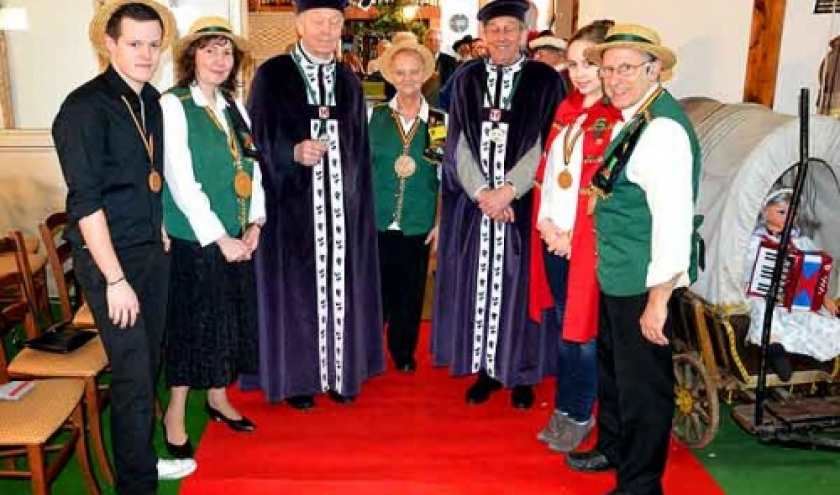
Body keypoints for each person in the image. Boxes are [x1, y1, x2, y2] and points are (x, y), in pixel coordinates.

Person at [51, 0, 197, 492]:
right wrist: (115, 279)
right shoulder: (83, 109)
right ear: (109, 43)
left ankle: (141, 459)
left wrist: (160, 227)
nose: (146, 54)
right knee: (133, 374)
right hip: (110, 261)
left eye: (154, 44)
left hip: (150, 249)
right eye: (134, 43)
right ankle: (136, 484)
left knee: (149, 364)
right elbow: (86, 203)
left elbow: (148, 178)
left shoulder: (149, 100)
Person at [564, 24, 701, 495]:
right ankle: (614, 447)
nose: (614, 79)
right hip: (619, 271)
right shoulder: (634, 117)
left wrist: (659, 299)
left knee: (643, 386)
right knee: (614, 371)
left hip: (644, 280)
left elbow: (674, 221)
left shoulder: (662, 130)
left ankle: (640, 484)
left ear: (654, 69)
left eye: (626, 69)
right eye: (608, 70)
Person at [246, 0, 384, 409]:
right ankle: (299, 379)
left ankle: (341, 372)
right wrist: (291, 152)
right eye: (318, 22)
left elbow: (360, 148)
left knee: (342, 287)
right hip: (291, 210)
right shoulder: (273, 75)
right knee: (297, 292)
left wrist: (357, 205)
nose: (327, 30)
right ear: (300, 26)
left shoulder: (348, 80)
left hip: (342, 210)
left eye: (334, 22)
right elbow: (253, 141)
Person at [432, 0, 563, 409]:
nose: (502, 36)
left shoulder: (545, 80)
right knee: (479, 285)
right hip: (475, 208)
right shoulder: (466, 78)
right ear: (483, 35)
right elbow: (456, 143)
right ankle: (485, 369)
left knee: (519, 289)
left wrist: (508, 191)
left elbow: (548, 144)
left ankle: (522, 373)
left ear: (524, 33)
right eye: (494, 29)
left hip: (522, 206)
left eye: (510, 28)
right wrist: (481, 194)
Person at [159, 16, 264, 459]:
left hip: (238, 236)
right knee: (191, 326)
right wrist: (221, 238)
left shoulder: (233, 105)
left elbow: (253, 166)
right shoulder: (173, 104)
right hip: (196, 241)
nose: (220, 60)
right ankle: (175, 414)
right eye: (210, 50)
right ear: (192, 56)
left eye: (226, 52)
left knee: (227, 321)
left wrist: (256, 222)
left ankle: (218, 398)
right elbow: (181, 181)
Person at [530, 19, 621, 454]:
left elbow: (604, 192)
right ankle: (565, 407)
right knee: (565, 328)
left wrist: (572, 236)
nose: (579, 73)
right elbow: (550, 177)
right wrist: (547, 224)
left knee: (581, 333)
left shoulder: (614, 119)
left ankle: (580, 411)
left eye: (589, 63)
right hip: (555, 238)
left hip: (584, 244)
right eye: (573, 64)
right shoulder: (566, 111)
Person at [369, 39, 443, 373]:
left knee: (411, 291)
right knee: (375, 292)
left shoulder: (439, 121)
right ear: (390, 76)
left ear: (425, 74)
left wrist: (440, 221)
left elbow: (444, 177)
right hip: (378, 218)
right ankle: (369, 350)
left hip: (418, 219)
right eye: (400, 72)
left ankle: (403, 351)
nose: (408, 79)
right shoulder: (373, 116)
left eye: (414, 72)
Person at [744, 187, 840, 381]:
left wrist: (823, 298)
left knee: (824, 322)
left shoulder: (801, 243)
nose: (788, 217)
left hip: (795, 301)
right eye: (781, 212)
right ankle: (775, 347)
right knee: (763, 310)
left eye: (792, 213)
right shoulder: (755, 242)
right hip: (762, 294)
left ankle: (808, 356)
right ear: (765, 212)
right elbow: (744, 272)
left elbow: (814, 276)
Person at [421, 28, 458, 107]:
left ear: (441, 42)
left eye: (437, 40)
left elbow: (455, 85)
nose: (433, 43)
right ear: (424, 42)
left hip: (443, 107)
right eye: (430, 40)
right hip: (421, 106)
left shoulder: (451, 61)